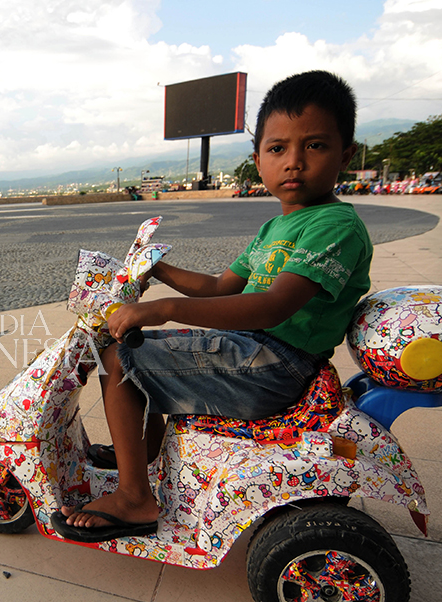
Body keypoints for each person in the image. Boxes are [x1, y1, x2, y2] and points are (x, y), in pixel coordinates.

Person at [52, 70, 372, 542]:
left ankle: (135, 498)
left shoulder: (334, 226)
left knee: (119, 359)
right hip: (255, 351)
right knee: (136, 349)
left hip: (276, 365)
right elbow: (221, 286)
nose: (294, 162)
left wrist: (163, 309)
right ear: (258, 159)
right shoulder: (275, 228)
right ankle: (145, 459)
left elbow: (271, 307)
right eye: (277, 148)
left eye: (315, 146)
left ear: (345, 155)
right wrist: (158, 270)